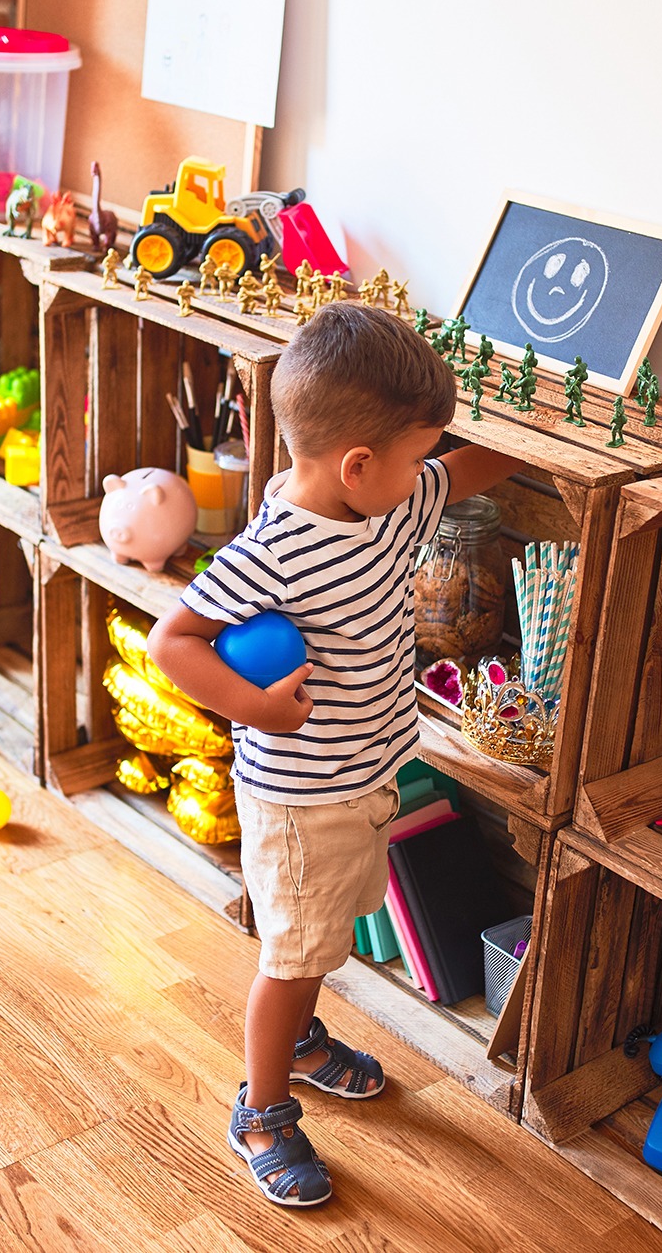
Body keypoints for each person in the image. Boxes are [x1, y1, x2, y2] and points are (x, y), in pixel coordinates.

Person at [149, 303, 524, 1207]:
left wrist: (545, 425)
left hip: (367, 778)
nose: (428, 471)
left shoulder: (394, 501)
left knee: (324, 942)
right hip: (300, 797)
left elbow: (469, 467)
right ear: (359, 466)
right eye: (415, 457)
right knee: (292, 956)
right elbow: (174, 639)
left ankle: (305, 1046)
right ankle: (263, 1110)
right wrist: (256, 709)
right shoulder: (274, 552)